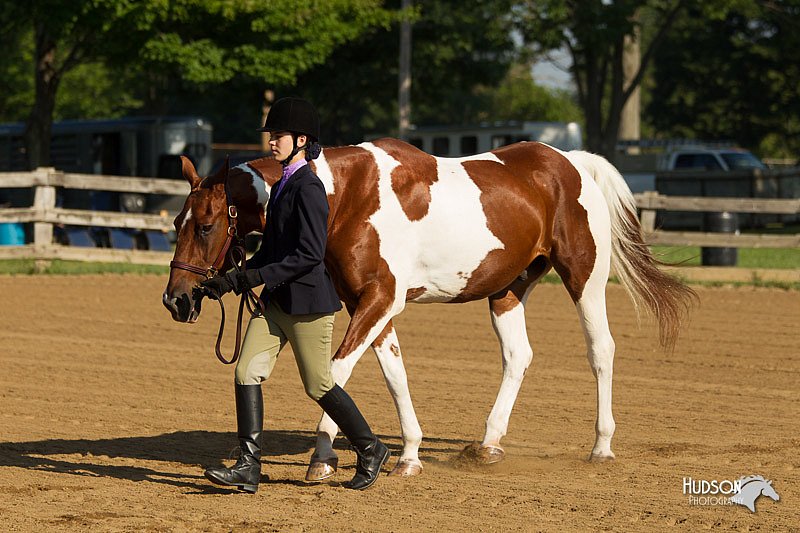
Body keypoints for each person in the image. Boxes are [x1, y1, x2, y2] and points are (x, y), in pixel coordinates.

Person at [198, 97, 389, 493]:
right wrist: (231, 277)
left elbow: (307, 256)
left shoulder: (309, 188)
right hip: (276, 302)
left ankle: (371, 449)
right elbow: (272, 249)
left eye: (279, 136)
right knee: (246, 371)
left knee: (318, 385)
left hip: (308, 304)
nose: (272, 142)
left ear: (302, 139)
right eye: (271, 136)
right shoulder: (283, 184)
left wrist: (248, 280)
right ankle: (248, 466)